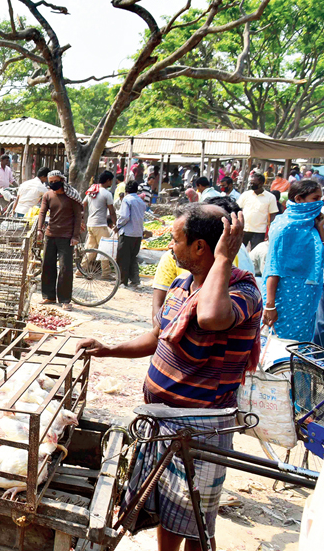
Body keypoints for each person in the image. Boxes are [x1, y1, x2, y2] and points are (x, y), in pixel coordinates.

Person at [78, 203, 261, 551]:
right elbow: (158, 336)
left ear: (201, 247)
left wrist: (224, 258)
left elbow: (210, 318)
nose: (169, 247)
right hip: (163, 422)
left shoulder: (243, 292)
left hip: (200, 429)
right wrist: (109, 348)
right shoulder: (182, 284)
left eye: (175, 240)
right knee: (168, 515)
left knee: (194, 525)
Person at [262, 179, 324, 341]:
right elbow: (274, 267)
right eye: (315, 199)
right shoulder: (285, 227)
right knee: (283, 347)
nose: (319, 203)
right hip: (285, 298)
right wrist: (270, 305)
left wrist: (320, 229)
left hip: (307, 299)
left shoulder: (311, 224)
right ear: (298, 199)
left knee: (301, 347)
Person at [36, 171, 82, 311]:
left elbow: (77, 217)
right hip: (50, 235)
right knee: (47, 266)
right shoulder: (48, 195)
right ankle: (49, 296)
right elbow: (42, 212)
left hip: (66, 237)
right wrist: (39, 229)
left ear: (62, 181)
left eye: (55, 181)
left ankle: (65, 299)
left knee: (65, 269)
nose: (52, 183)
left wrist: (75, 236)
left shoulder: (71, 196)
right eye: (50, 181)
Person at [116, 180, 147, 288]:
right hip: (138, 233)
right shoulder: (141, 201)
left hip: (127, 233)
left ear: (126, 190)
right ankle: (135, 280)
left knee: (123, 257)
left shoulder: (127, 200)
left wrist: (117, 225)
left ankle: (122, 282)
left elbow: (124, 217)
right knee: (133, 257)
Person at [82, 171, 117, 265]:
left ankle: (81, 269)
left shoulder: (91, 191)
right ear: (108, 180)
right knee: (104, 250)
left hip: (90, 224)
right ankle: (106, 272)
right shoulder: (107, 194)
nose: (111, 183)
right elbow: (112, 212)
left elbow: (83, 205)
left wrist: (81, 218)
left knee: (90, 249)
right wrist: (116, 224)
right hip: (100, 225)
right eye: (111, 181)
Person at [237, 173, 278, 250]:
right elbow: (238, 209)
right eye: (250, 183)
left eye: (254, 183)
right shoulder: (246, 195)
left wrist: (271, 231)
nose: (251, 185)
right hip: (244, 229)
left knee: (255, 253)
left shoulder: (270, 197)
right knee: (238, 251)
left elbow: (273, 215)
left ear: (261, 183)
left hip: (259, 231)